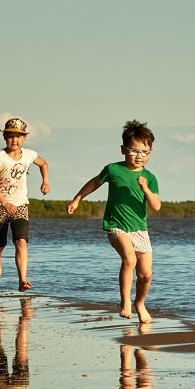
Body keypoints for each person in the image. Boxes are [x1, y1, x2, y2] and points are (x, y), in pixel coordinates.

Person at [67, 119, 161, 322]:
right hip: (116, 226)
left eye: (145, 152)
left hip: (140, 229)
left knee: (146, 275)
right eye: (134, 150)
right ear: (123, 149)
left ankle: (140, 303)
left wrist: (145, 189)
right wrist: (77, 199)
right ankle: (125, 301)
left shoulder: (150, 177)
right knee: (130, 259)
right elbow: (94, 183)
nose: (139, 156)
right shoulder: (113, 169)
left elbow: (156, 206)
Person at [0, 117, 50, 291]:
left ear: (24, 138)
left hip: (21, 205)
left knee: (21, 241)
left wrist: (45, 181)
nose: (14, 140)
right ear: (4, 137)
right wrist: (4, 203)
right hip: (0, 206)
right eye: (10, 136)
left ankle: (22, 280)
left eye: (18, 136)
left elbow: (43, 163)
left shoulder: (29, 155)